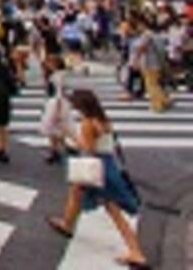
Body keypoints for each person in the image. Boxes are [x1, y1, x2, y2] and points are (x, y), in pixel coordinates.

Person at [46, 89, 146, 267]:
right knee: (75, 192)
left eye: (75, 105)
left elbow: (88, 149)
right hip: (108, 165)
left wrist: (70, 137)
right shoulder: (103, 120)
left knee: (113, 209)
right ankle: (67, 224)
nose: (74, 108)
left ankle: (136, 252)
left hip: (96, 166)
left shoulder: (87, 124)